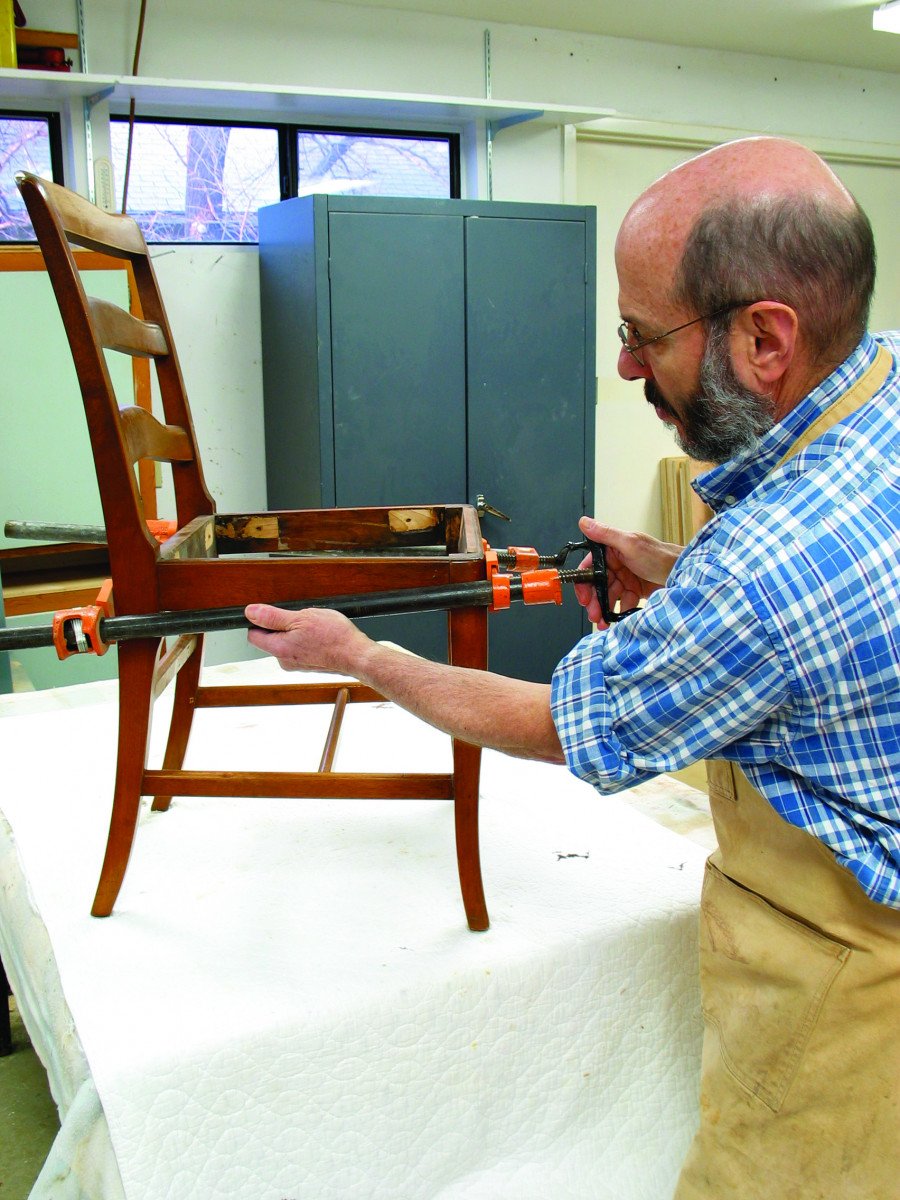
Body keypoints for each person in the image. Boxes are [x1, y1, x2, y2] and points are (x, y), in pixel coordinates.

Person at [246, 136, 900, 1199]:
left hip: (850, 984)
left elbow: (568, 723)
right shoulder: (884, 384)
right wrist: (683, 577)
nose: (629, 368)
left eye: (644, 338)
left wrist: (360, 655)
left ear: (766, 338)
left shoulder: (766, 576)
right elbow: (848, 594)